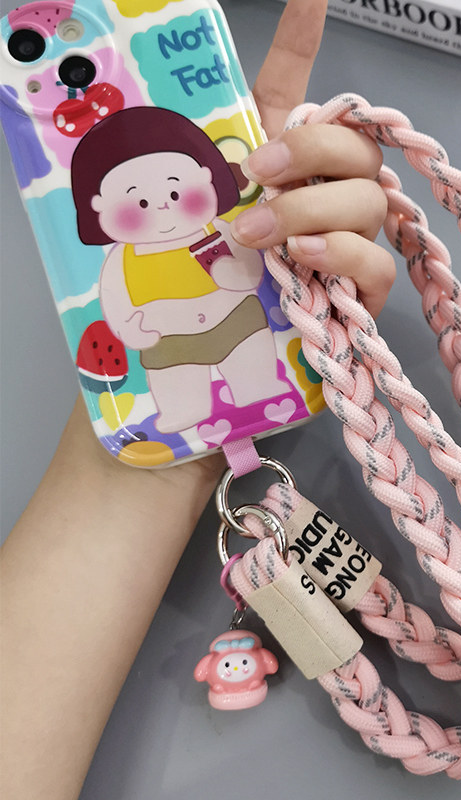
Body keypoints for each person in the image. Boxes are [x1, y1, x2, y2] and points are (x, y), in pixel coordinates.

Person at [0, 2, 396, 798]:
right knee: (189, 387)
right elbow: (122, 316)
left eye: (174, 187)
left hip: (238, 335)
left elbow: (238, 277)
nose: (155, 208)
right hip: (170, 362)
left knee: (252, 358)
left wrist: (261, 267)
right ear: (96, 212)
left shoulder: (219, 231)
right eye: (131, 198)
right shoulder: (120, 266)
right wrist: (155, 446)